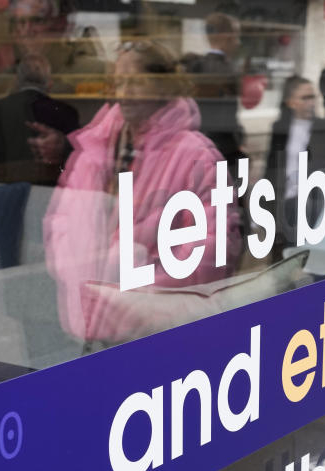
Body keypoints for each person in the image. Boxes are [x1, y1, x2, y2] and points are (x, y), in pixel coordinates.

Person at [43, 40, 243, 345]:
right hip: (91, 332)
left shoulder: (195, 155)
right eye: (119, 82)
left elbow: (212, 251)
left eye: (136, 82)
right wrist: (78, 278)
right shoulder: (95, 147)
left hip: (157, 340)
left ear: (164, 86)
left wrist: (138, 303)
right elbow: (60, 221)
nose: (124, 93)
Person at [265, 75, 325, 260]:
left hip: (314, 206)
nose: (311, 103)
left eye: (312, 97)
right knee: (283, 261)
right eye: (304, 98)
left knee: (311, 259)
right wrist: (265, 210)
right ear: (291, 102)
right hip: (284, 205)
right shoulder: (280, 128)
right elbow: (271, 171)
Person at [0, 53, 79, 186]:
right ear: (49, 83)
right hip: (50, 190)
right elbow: (74, 162)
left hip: (9, 186)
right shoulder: (66, 112)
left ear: (17, 81)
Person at [184, 13, 245, 167]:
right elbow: (227, 118)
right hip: (222, 148)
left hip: (196, 145)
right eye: (236, 36)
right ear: (226, 37)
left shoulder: (195, 66)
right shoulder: (229, 71)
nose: (238, 42)